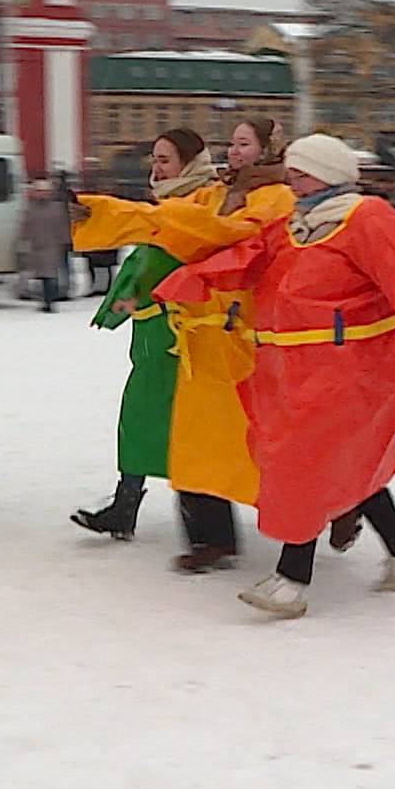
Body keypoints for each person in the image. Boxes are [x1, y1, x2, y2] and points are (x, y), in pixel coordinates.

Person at [153, 134, 395, 617]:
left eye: (302, 172)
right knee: (345, 466)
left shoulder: (368, 218)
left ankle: (291, 580)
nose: (292, 180)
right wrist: (190, 281)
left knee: (302, 466)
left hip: (351, 373)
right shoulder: (295, 222)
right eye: (291, 171)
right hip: (292, 373)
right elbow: (247, 257)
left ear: (331, 173)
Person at [66, 123, 293, 569]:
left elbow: (211, 237)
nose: (235, 151)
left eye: (245, 143)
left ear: (270, 150)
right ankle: (209, 538)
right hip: (197, 333)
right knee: (189, 438)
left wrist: (112, 220)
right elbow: (172, 232)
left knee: (259, 437)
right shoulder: (215, 194)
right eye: (233, 142)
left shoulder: (274, 198)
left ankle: (343, 504)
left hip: (242, 336)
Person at [18, 179, 71, 312]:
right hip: (37, 246)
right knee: (42, 275)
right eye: (38, 192)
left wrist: (65, 242)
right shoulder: (31, 209)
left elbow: (63, 226)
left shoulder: (57, 208)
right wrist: (24, 240)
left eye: (44, 192)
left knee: (50, 275)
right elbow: (26, 226)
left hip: (52, 246)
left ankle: (50, 301)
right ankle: (46, 300)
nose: (41, 194)